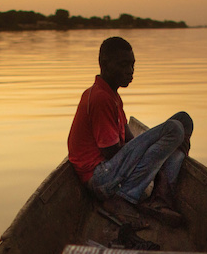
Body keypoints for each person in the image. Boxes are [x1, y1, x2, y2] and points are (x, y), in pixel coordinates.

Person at [67, 37, 192, 227]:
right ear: (105, 65)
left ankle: (160, 196)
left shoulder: (113, 96)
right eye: (123, 65)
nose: (130, 71)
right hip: (100, 177)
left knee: (184, 120)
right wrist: (154, 156)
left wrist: (159, 154)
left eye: (132, 65)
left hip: (112, 168)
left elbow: (129, 139)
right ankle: (127, 196)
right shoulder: (100, 98)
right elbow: (111, 152)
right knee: (174, 129)